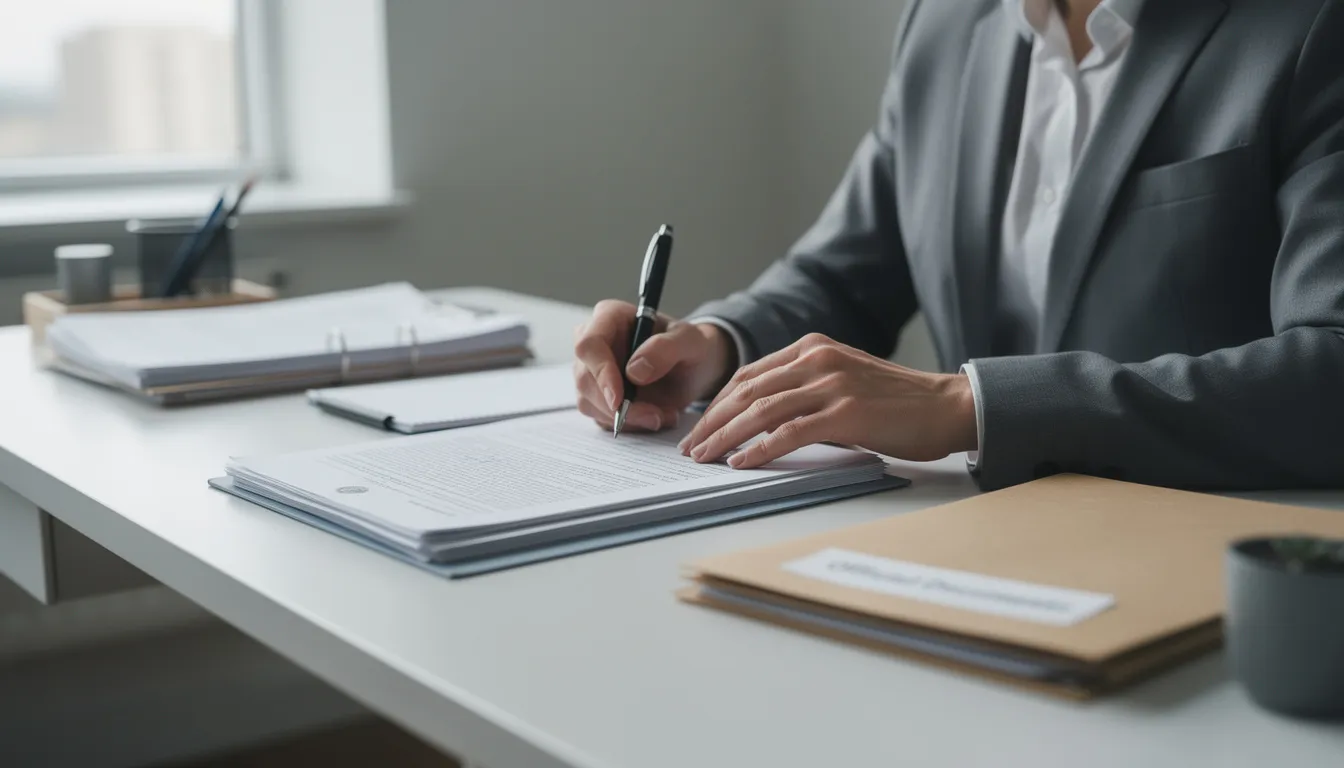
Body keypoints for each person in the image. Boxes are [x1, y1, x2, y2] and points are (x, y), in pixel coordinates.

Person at [573, 0, 1344, 491]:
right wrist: (713, 346)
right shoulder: (941, 23)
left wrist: (970, 406)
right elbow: (843, 278)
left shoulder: (1311, 26)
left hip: (1209, 557)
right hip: (962, 544)